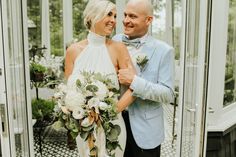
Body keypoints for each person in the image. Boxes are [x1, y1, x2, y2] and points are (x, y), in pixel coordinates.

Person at [64, 0, 136, 156]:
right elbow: (67, 91)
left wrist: (112, 111)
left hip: (112, 125)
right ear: (92, 16)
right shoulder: (73, 51)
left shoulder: (118, 48)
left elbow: (134, 87)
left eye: (115, 16)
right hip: (84, 127)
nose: (113, 20)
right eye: (109, 14)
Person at [113, 0, 175, 157]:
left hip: (146, 130)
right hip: (114, 123)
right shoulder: (115, 41)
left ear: (149, 20)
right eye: (125, 15)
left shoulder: (164, 51)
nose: (126, 20)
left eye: (133, 16)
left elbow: (168, 94)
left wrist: (135, 82)